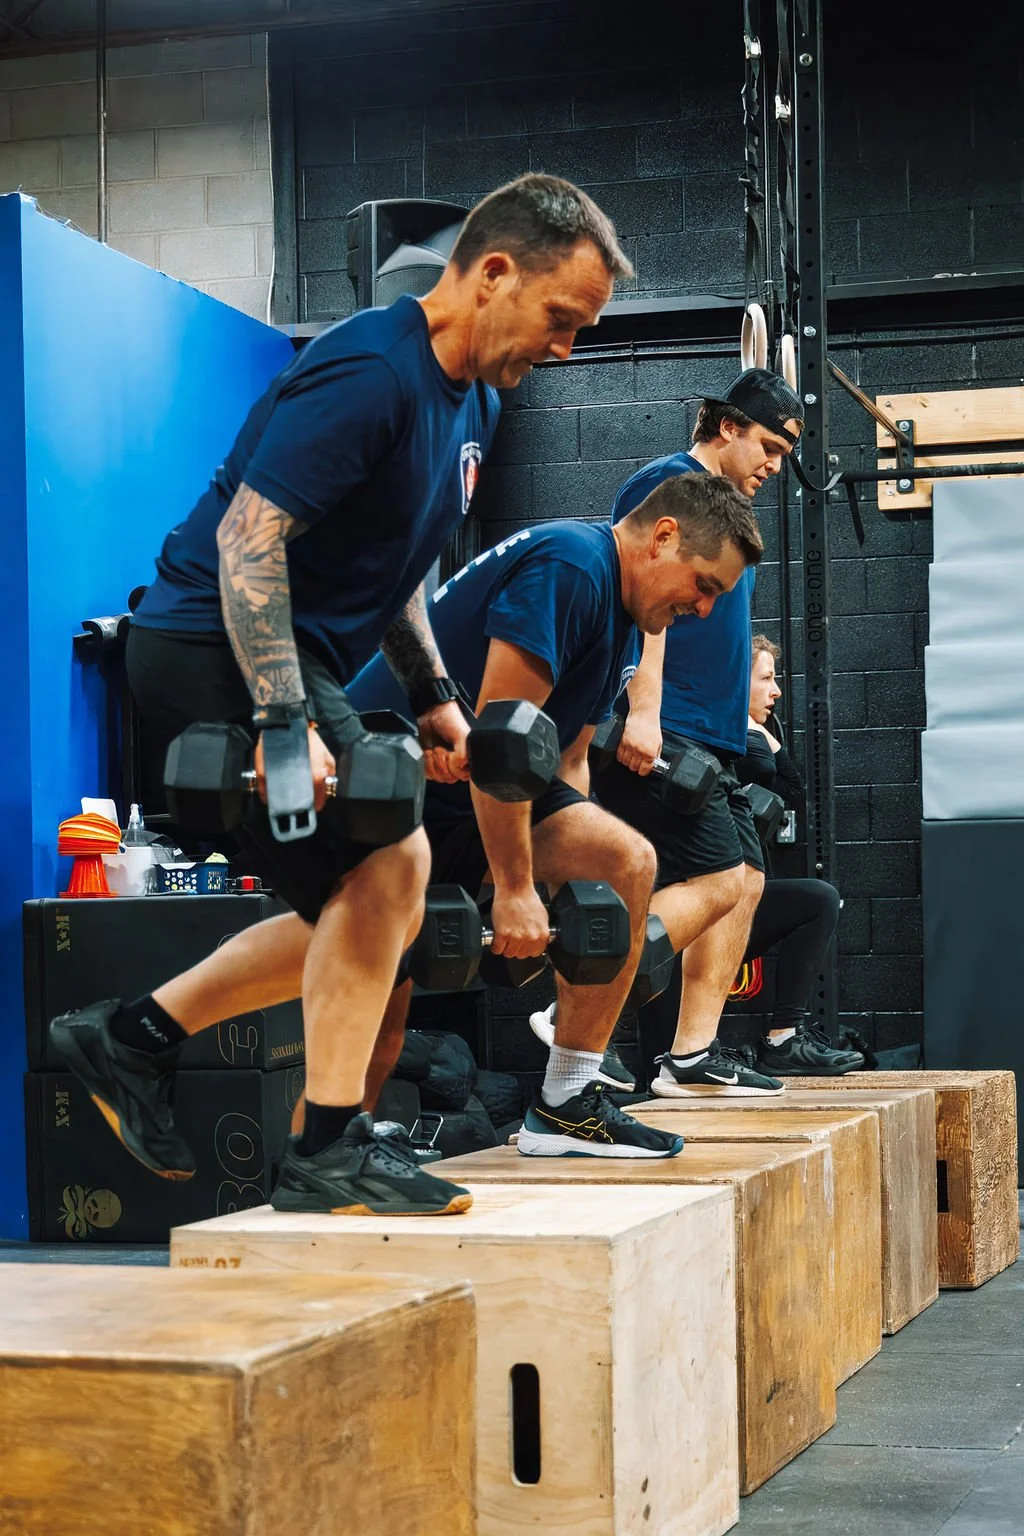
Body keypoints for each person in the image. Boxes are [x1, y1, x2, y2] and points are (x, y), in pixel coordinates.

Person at [48, 173, 633, 1216]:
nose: (563, 349)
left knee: (373, 900)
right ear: (492, 271)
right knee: (392, 861)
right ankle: (317, 1149)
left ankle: (137, 1038)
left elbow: (398, 568)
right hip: (203, 644)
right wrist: (286, 722)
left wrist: (438, 698)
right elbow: (247, 543)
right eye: (560, 318)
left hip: (293, 656)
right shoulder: (369, 368)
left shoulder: (475, 402)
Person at [346, 472, 763, 1155]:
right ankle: (341, 1147)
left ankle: (566, 1101)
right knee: (385, 993)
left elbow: (564, 764)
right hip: (387, 786)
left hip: (468, 786)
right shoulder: (571, 567)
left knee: (624, 860)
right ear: (663, 538)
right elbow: (500, 746)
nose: (706, 608)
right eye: (705, 585)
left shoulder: (627, 624)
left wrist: (573, 898)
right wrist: (513, 889)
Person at [588, 368, 807, 1097]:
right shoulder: (669, 483)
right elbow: (643, 594)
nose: (774, 465)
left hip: (713, 731)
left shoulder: (726, 507)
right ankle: (577, 1008)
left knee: (743, 882)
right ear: (728, 427)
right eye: (769, 446)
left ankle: (691, 1055)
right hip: (667, 722)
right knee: (720, 877)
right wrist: (641, 708)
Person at [634, 634, 861, 1086]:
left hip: (727, 910)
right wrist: (755, 733)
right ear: (735, 683)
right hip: (675, 915)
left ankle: (783, 1040)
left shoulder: (750, 735)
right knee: (656, 1078)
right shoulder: (712, 731)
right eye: (765, 678)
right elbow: (761, 763)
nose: (776, 690)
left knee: (817, 899)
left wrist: (766, 739)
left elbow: (793, 791)